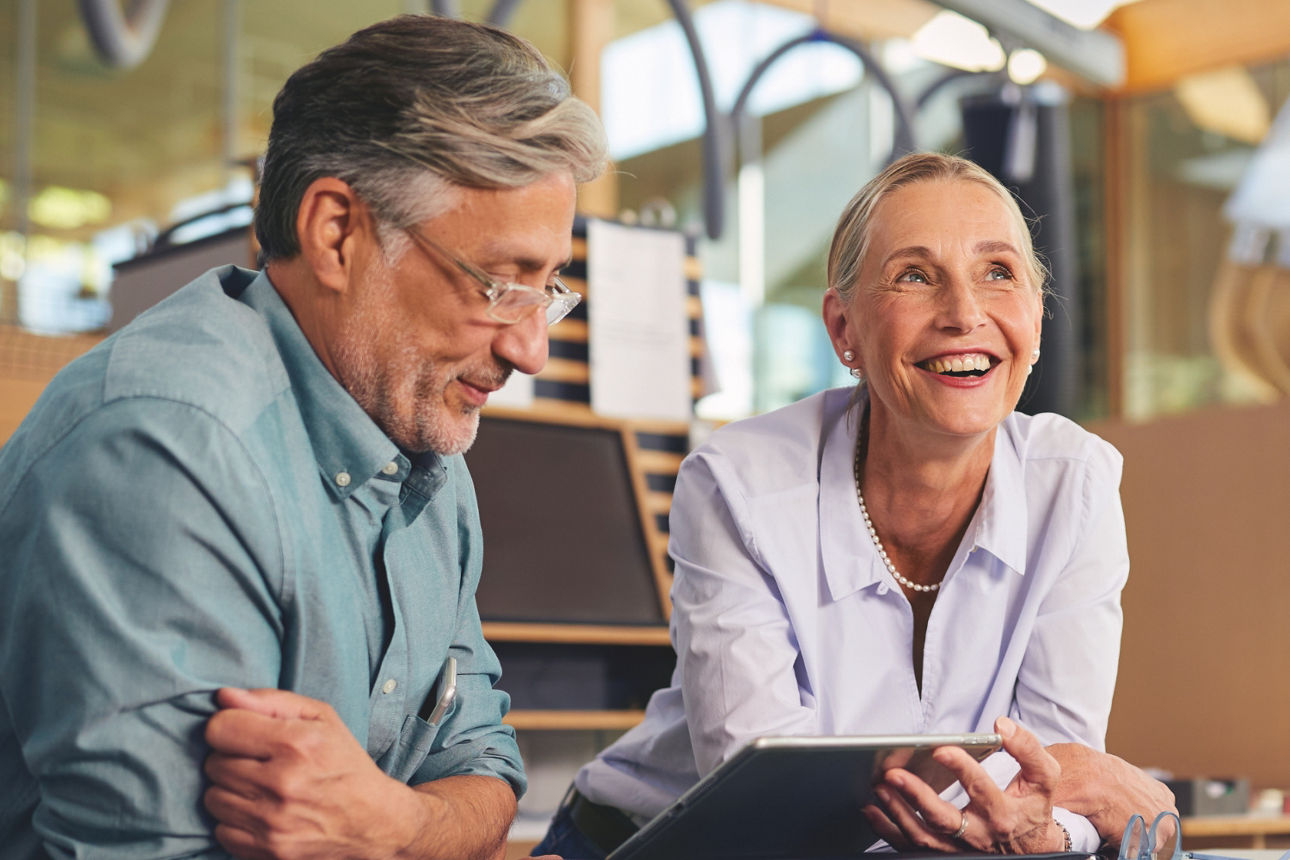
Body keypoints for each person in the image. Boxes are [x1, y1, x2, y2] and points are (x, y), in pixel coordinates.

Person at [0, 14, 605, 860]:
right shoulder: (163, 450)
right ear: (336, 233)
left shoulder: (419, 438)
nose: (530, 350)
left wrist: (395, 828)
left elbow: (486, 764)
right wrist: (419, 830)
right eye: (500, 285)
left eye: (549, 290)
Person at [534, 152, 1175, 859]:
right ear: (845, 331)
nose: (965, 314)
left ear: (1036, 319)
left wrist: (1051, 823)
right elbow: (765, 810)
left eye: (998, 273)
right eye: (915, 276)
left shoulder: (1076, 484)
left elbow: (1053, 786)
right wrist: (1041, 808)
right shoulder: (738, 484)